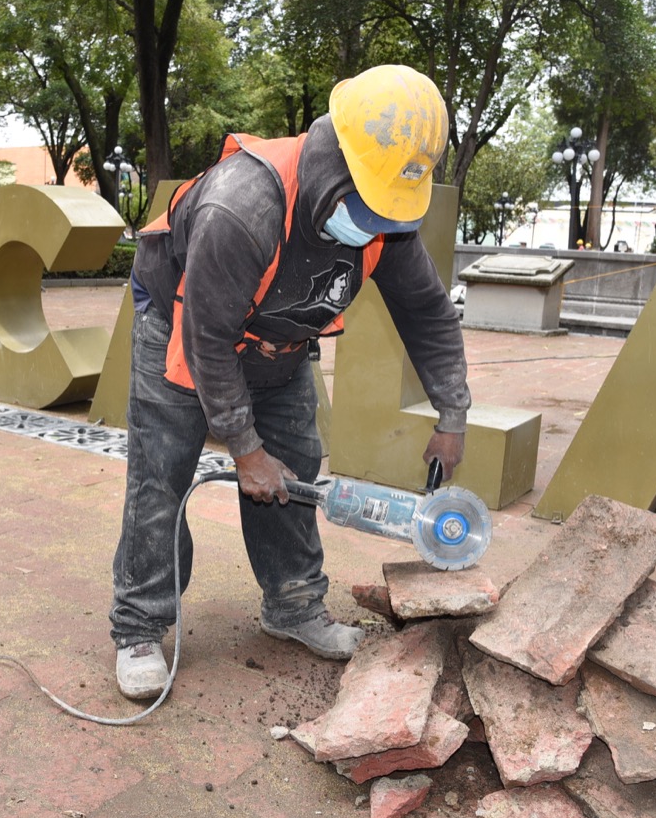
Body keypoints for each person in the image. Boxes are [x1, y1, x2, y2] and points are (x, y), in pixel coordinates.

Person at [109, 64, 472, 700]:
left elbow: (428, 313)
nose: (376, 223)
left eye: (388, 212)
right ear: (337, 163)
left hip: (279, 346)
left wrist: (452, 415)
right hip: (186, 335)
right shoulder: (242, 207)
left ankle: (294, 606)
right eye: (365, 207)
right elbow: (207, 342)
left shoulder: (384, 214)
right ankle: (140, 624)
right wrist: (244, 450)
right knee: (161, 480)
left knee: (294, 475)